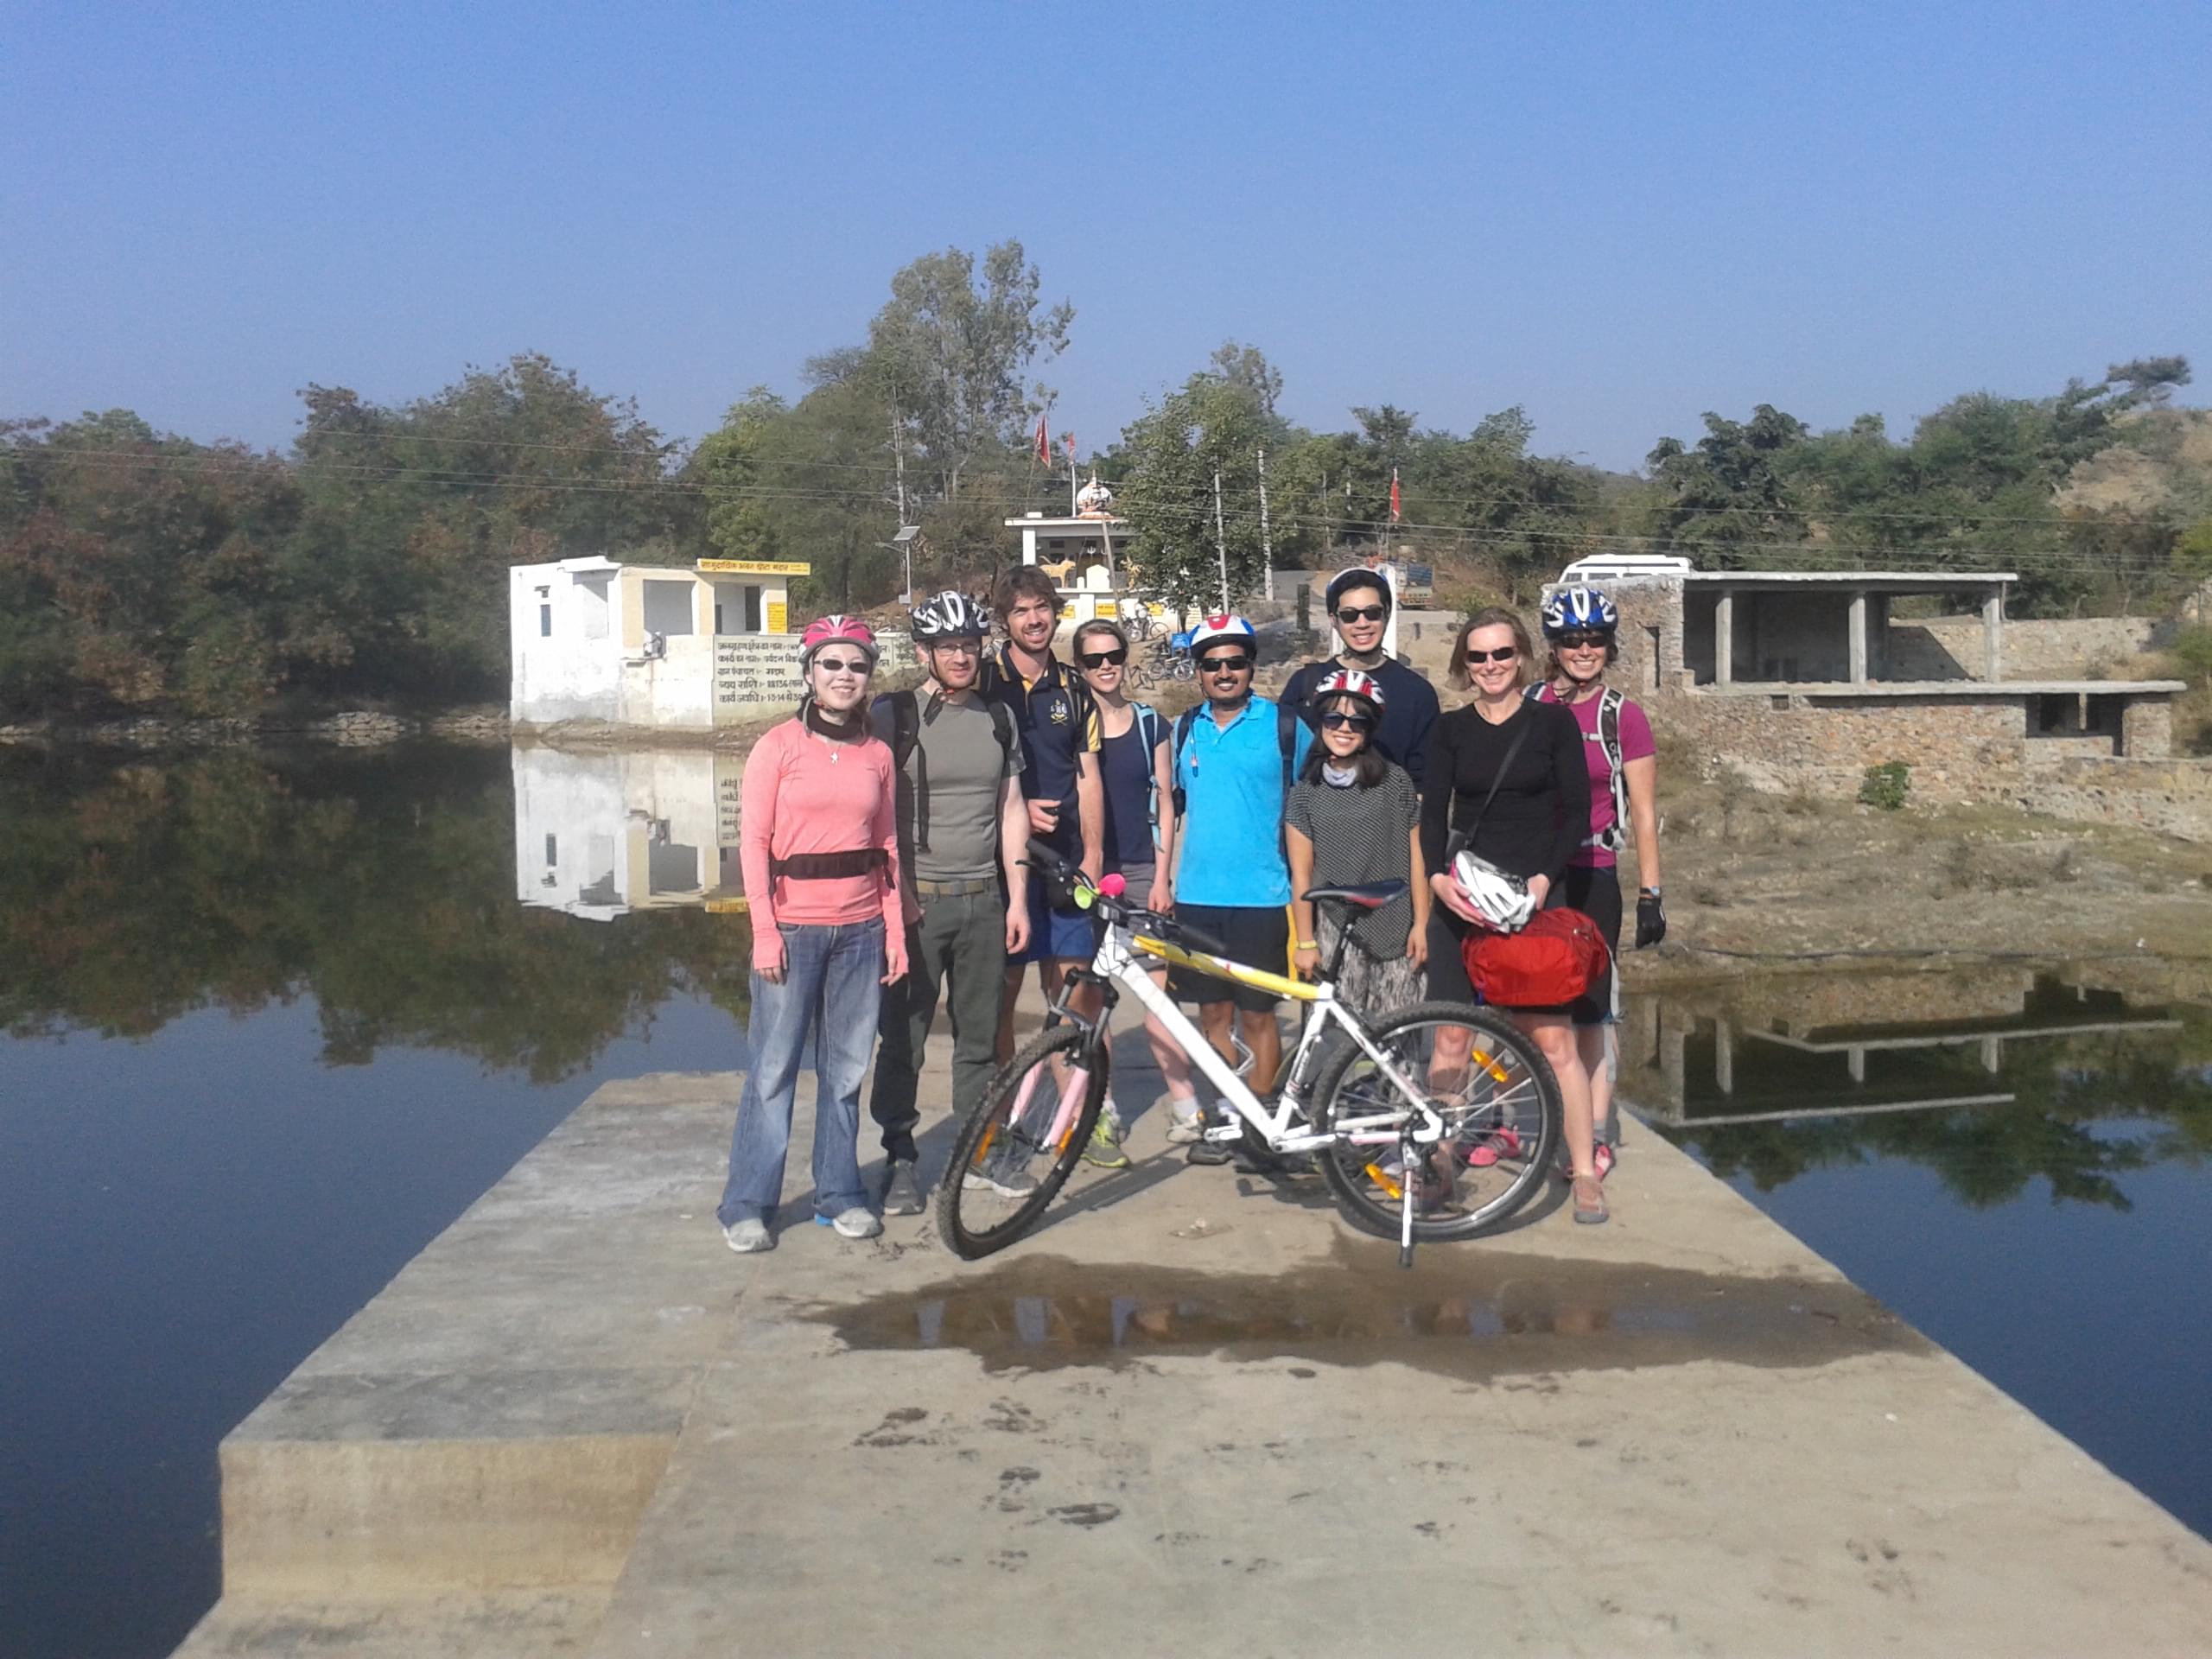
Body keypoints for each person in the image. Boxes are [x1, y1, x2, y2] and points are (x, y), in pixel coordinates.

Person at [717, 617, 907, 1254]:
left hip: (859, 928)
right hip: (793, 928)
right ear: (809, 674)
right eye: (832, 666)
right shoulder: (777, 747)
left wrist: (895, 930)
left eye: (856, 666)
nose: (844, 677)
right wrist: (763, 930)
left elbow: (886, 844)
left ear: (868, 677)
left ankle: (839, 1192)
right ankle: (748, 1202)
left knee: (847, 1070)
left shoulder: (877, 753)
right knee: (772, 1071)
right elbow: (753, 842)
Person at [1419, 607, 1605, 1223]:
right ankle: (1440, 1161)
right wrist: (1439, 881)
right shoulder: (1450, 730)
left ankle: (1583, 1174)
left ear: (1522, 656)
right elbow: (1431, 815)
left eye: (1502, 654)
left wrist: (1544, 881)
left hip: (1530, 900)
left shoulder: (1552, 723)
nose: (1491, 666)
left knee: (1554, 1042)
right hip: (1464, 898)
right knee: (1450, 1037)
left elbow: (1576, 812)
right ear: (1464, 665)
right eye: (1478, 656)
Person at [867, 591, 1033, 1217]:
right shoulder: (896, 714)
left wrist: (1018, 899)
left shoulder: (998, 717)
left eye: (969, 645)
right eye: (947, 647)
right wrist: (892, 895)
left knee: (980, 1039)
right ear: (923, 653)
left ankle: (978, 1149)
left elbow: (1011, 809)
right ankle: (900, 1156)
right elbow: (867, 805)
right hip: (916, 907)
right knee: (903, 1039)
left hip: (984, 901)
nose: (961, 656)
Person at [1166, 613, 1312, 1164]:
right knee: (1212, 1017)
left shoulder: (1286, 727)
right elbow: (1167, 808)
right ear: (1198, 672)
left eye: (1235, 662)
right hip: (1198, 899)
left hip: (1264, 899)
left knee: (1259, 1017)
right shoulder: (1185, 730)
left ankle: (1262, 1119)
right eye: (1212, 664)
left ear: (1251, 666)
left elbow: (1318, 802)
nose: (1225, 673)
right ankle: (1230, 1116)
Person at [1531, 585, 1664, 1179]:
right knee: (1532, 1007)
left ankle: (1599, 1133)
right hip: (1534, 878)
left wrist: (1651, 894)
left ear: (1610, 646)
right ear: (1553, 645)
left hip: (1593, 875)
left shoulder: (1621, 716)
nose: (1583, 650)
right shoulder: (1531, 703)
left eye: (1594, 640)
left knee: (1591, 1012)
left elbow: (1641, 809)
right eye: (1570, 640)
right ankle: (1532, 1123)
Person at [1068, 617, 1198, 1161]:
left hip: (1143, 870)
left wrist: (1164, 875)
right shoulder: (1069, 725)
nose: (1105, 666)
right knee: (1091, 999)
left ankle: (1187, 1106)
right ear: (1078, 666)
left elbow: (1166, 801)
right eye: (1092, 658)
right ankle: (1102, 1109)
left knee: (1156, 997)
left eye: (1113, 655)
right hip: (1089, 877)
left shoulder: (1152, 726)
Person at [982, 565, 1106, 1067]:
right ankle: (1001, 1118)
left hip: (1067, 863)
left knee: (1074, 1001)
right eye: (1020, 611)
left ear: (1057, 613)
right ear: (1004, 621)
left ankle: (1082, 1121)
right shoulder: (985, 684)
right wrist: (1015, 811)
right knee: (1000, 1001)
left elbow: (1088, 776)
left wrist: (1094, 856)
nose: (1033, 619)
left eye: (1041, 608)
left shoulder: (1076, 689)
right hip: (1001, 864)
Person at [1285, 669, 1430, 1013]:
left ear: (1370, 730)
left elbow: (1417, 857)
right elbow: (1302, 875)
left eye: (1358, 721)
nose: (1345, 728)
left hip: (1398, 926)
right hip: (1336, 929)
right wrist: (1306, 941)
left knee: (1398, 1039)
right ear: (1320, 723)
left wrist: (1423, 924)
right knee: (1338, 1041)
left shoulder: (1396, 783)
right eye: (1334, 718)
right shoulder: (1305, 794)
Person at [1281, 567, 1441, 793]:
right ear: (1334, 620)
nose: (1362, 623)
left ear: (1386, 614)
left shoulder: (1417, 693)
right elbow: (1284, 765)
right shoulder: (1304, 684)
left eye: (1372, 613)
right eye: (1349, 615)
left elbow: (1424, 782)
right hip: (1315, 822)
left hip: (1387, 823)